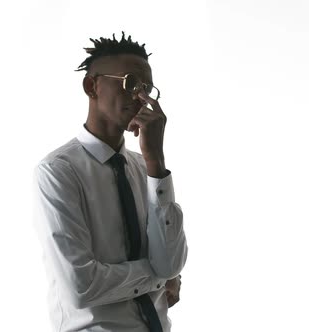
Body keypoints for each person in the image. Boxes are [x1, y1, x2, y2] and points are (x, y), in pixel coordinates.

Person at [33, 32, 188, 332]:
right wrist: (159, 276)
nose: (141, 96)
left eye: (148, 88)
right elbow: (82, 286)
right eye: (131, 82)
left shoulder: (146, 168)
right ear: (92, 86)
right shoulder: (57, 172)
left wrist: (156, 162)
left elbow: (172, 263)